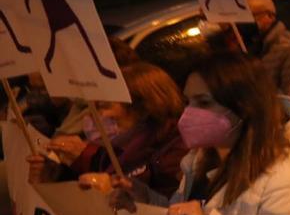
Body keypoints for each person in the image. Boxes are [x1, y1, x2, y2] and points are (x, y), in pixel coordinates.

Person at [107, 53, 290, 215]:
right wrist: (144, 201)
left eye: (203, 102)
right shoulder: (200, 160)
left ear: (244, 106)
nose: (189, 112)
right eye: (188, 101)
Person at [28, 62, 187, 198]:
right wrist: (53, 177)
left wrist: (117, 193)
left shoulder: (176, 153)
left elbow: (164, 210)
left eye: (106, 106)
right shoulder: (119, 153)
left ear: (142, 108)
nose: (99, 116)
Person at [247, 0, 290, 93]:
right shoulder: (249, 42)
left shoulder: (288, 47)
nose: (246, 21)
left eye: (251, 15)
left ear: (270, 16)